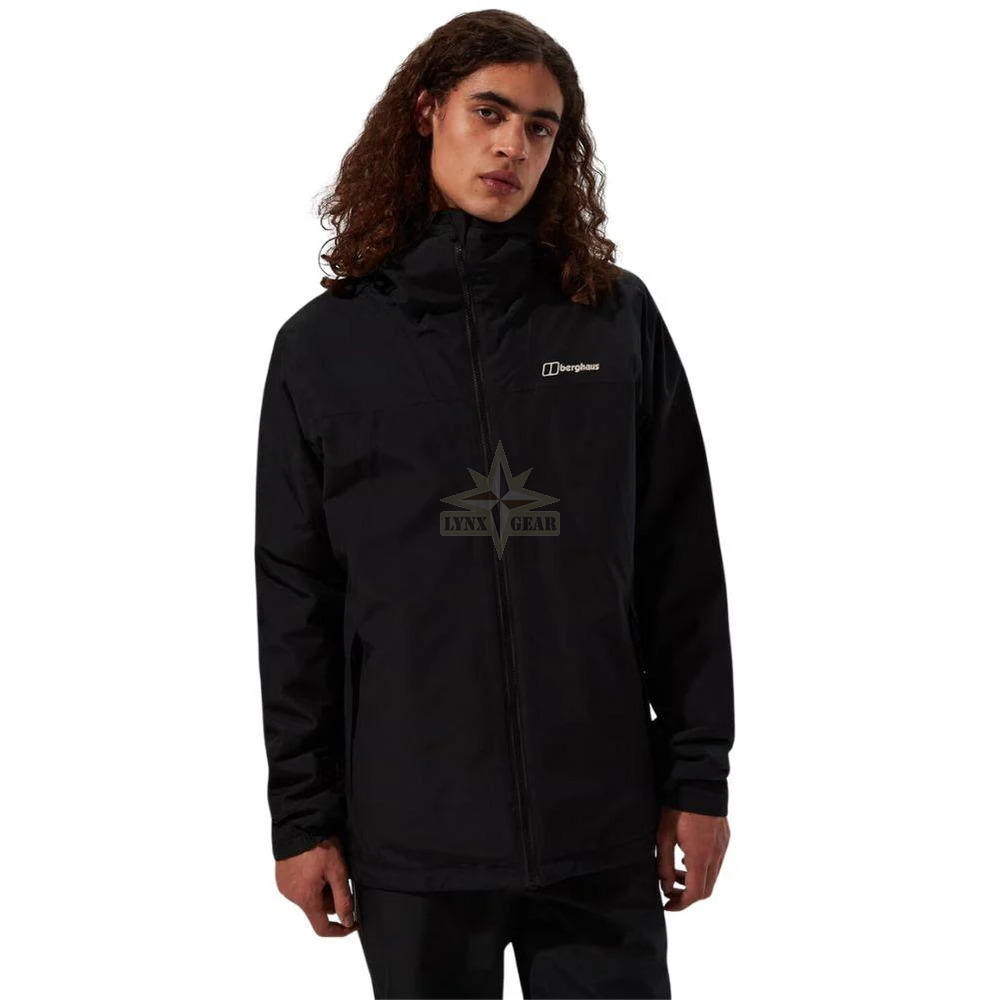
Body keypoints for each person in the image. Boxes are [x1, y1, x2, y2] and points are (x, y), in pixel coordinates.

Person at [254, 10, 735, 999]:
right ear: (426, 112)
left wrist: (698, 778)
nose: (515, 144)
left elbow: (680, 557)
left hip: (599, 820)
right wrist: (302, 819)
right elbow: (296, 597)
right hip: (413, 831)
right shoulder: (323, 347)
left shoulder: (613, 321)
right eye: (491, 112)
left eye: (541, 126)